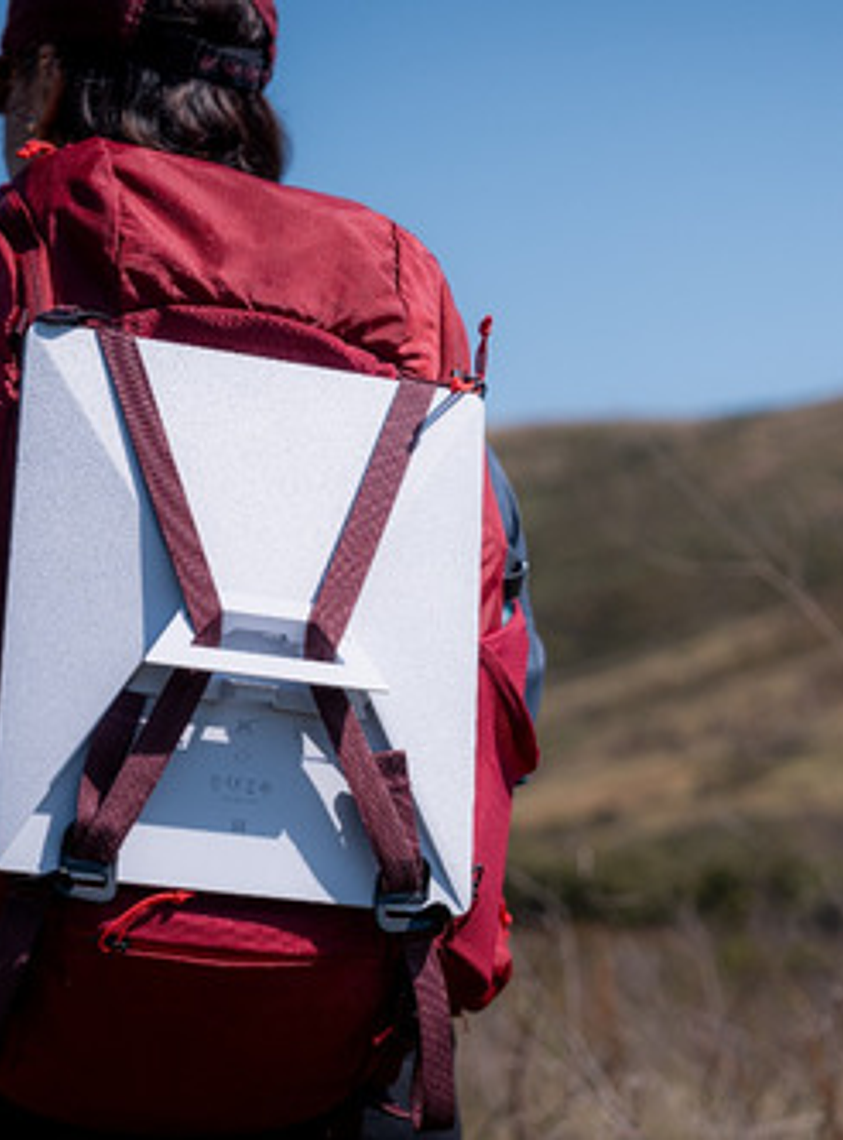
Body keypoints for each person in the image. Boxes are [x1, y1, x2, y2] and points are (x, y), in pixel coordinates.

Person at [0, 1, 542, 1136]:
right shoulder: (404, 302)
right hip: (339, 1019)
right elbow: (500, 672)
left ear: (47, 80)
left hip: (23, 1004)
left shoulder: (20, 257)